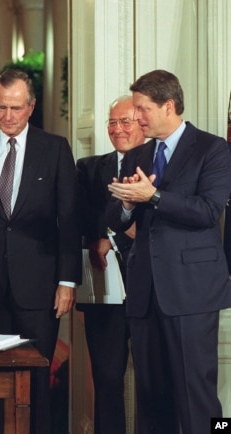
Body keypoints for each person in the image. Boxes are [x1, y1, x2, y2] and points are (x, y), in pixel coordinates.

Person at [0, 68, 81, 434]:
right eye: (1, 108)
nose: (7, 116)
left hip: (39, 290)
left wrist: (67, 281)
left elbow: (68, 220)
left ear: (31, 106)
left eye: (16, 108)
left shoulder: (54, 149)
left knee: (35, 382)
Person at [106, 69, 231, 434]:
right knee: (151, 397)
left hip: (191, 292)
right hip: (145, 293)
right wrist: (129, 206)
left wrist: (154, 196)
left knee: (198, 398)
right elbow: (116, 216)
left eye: (143, 110)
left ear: (169, 106)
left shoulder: (213, 149)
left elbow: (209, 211)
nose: (136, 118)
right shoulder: (136, 155)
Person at [75, 96, 145, 434]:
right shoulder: (88, 168)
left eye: (126, 121)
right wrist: (98, 236)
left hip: (153, 290)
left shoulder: (160, 163)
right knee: (106, 379)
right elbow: (79, 215)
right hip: (104, 288)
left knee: (155, 380)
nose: (117, 128)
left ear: (143, 122)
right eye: (112, 121)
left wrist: (114, 233)